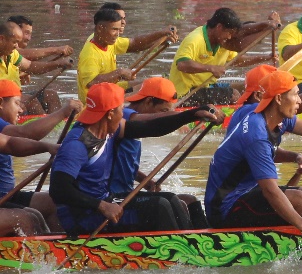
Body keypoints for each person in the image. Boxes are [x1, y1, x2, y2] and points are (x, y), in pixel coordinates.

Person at [204, 70, 302, 241]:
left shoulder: (261, 112)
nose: (300, 100)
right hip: (225, 208)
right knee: (298, 199)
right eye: (296, 95)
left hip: (248, 192)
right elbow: (270, 191)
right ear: (279, 99)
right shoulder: (255, 136)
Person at [50, 82, 219, 236]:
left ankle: (199, 242)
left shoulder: (109, 129)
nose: (124, 114)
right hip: (84, 216)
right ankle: (182, 255)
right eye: (121, 110)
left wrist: (192, 115)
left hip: (104, 201)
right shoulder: (77, 144)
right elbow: (59, 190)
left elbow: (151, 127)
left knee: (171, 199)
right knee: (160, 206)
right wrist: (102, 206)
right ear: (110, 114)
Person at [111, 76, 216, 230]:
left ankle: (207, 239)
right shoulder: (125, 116)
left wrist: (145, 181)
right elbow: (153, 125)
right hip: (114, 197)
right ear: (148, 102)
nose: (165, 115)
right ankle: (184, 245)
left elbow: (122, 162)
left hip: (127, 193)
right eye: (164, 111)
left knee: (189, 200)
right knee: (164, 204)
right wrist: (191, 114)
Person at [170, 7, 283, 103]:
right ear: (219, 27)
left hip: (207, 87)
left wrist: (264, 58)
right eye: (228, 33)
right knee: (233, 94)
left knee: (249, 89)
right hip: (185, 94)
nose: (229, 37)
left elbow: (236, 61)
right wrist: (211, 68)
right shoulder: (196, 39)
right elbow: (182, 64)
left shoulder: (222, 42)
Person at [0, 79, 69, 236]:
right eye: (17, 103)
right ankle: (43, 259)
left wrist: (47, 147)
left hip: (5, 196)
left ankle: (63, 249)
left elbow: (9, 143)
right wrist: (63, 112)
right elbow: (23, 134)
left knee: (48, 206)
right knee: (26, 219)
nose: (21, 110)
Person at [76, 7, 178, 102]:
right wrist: (119, 73)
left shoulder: (108, 41)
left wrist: (160, 38)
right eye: (114, 29)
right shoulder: (90, 54)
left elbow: (135, 43)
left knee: (152, 83)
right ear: (99, 28)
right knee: (148, 93)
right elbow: (92, 83)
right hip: (96, 102)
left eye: (118, 29)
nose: (117, 34)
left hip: (110, 89)